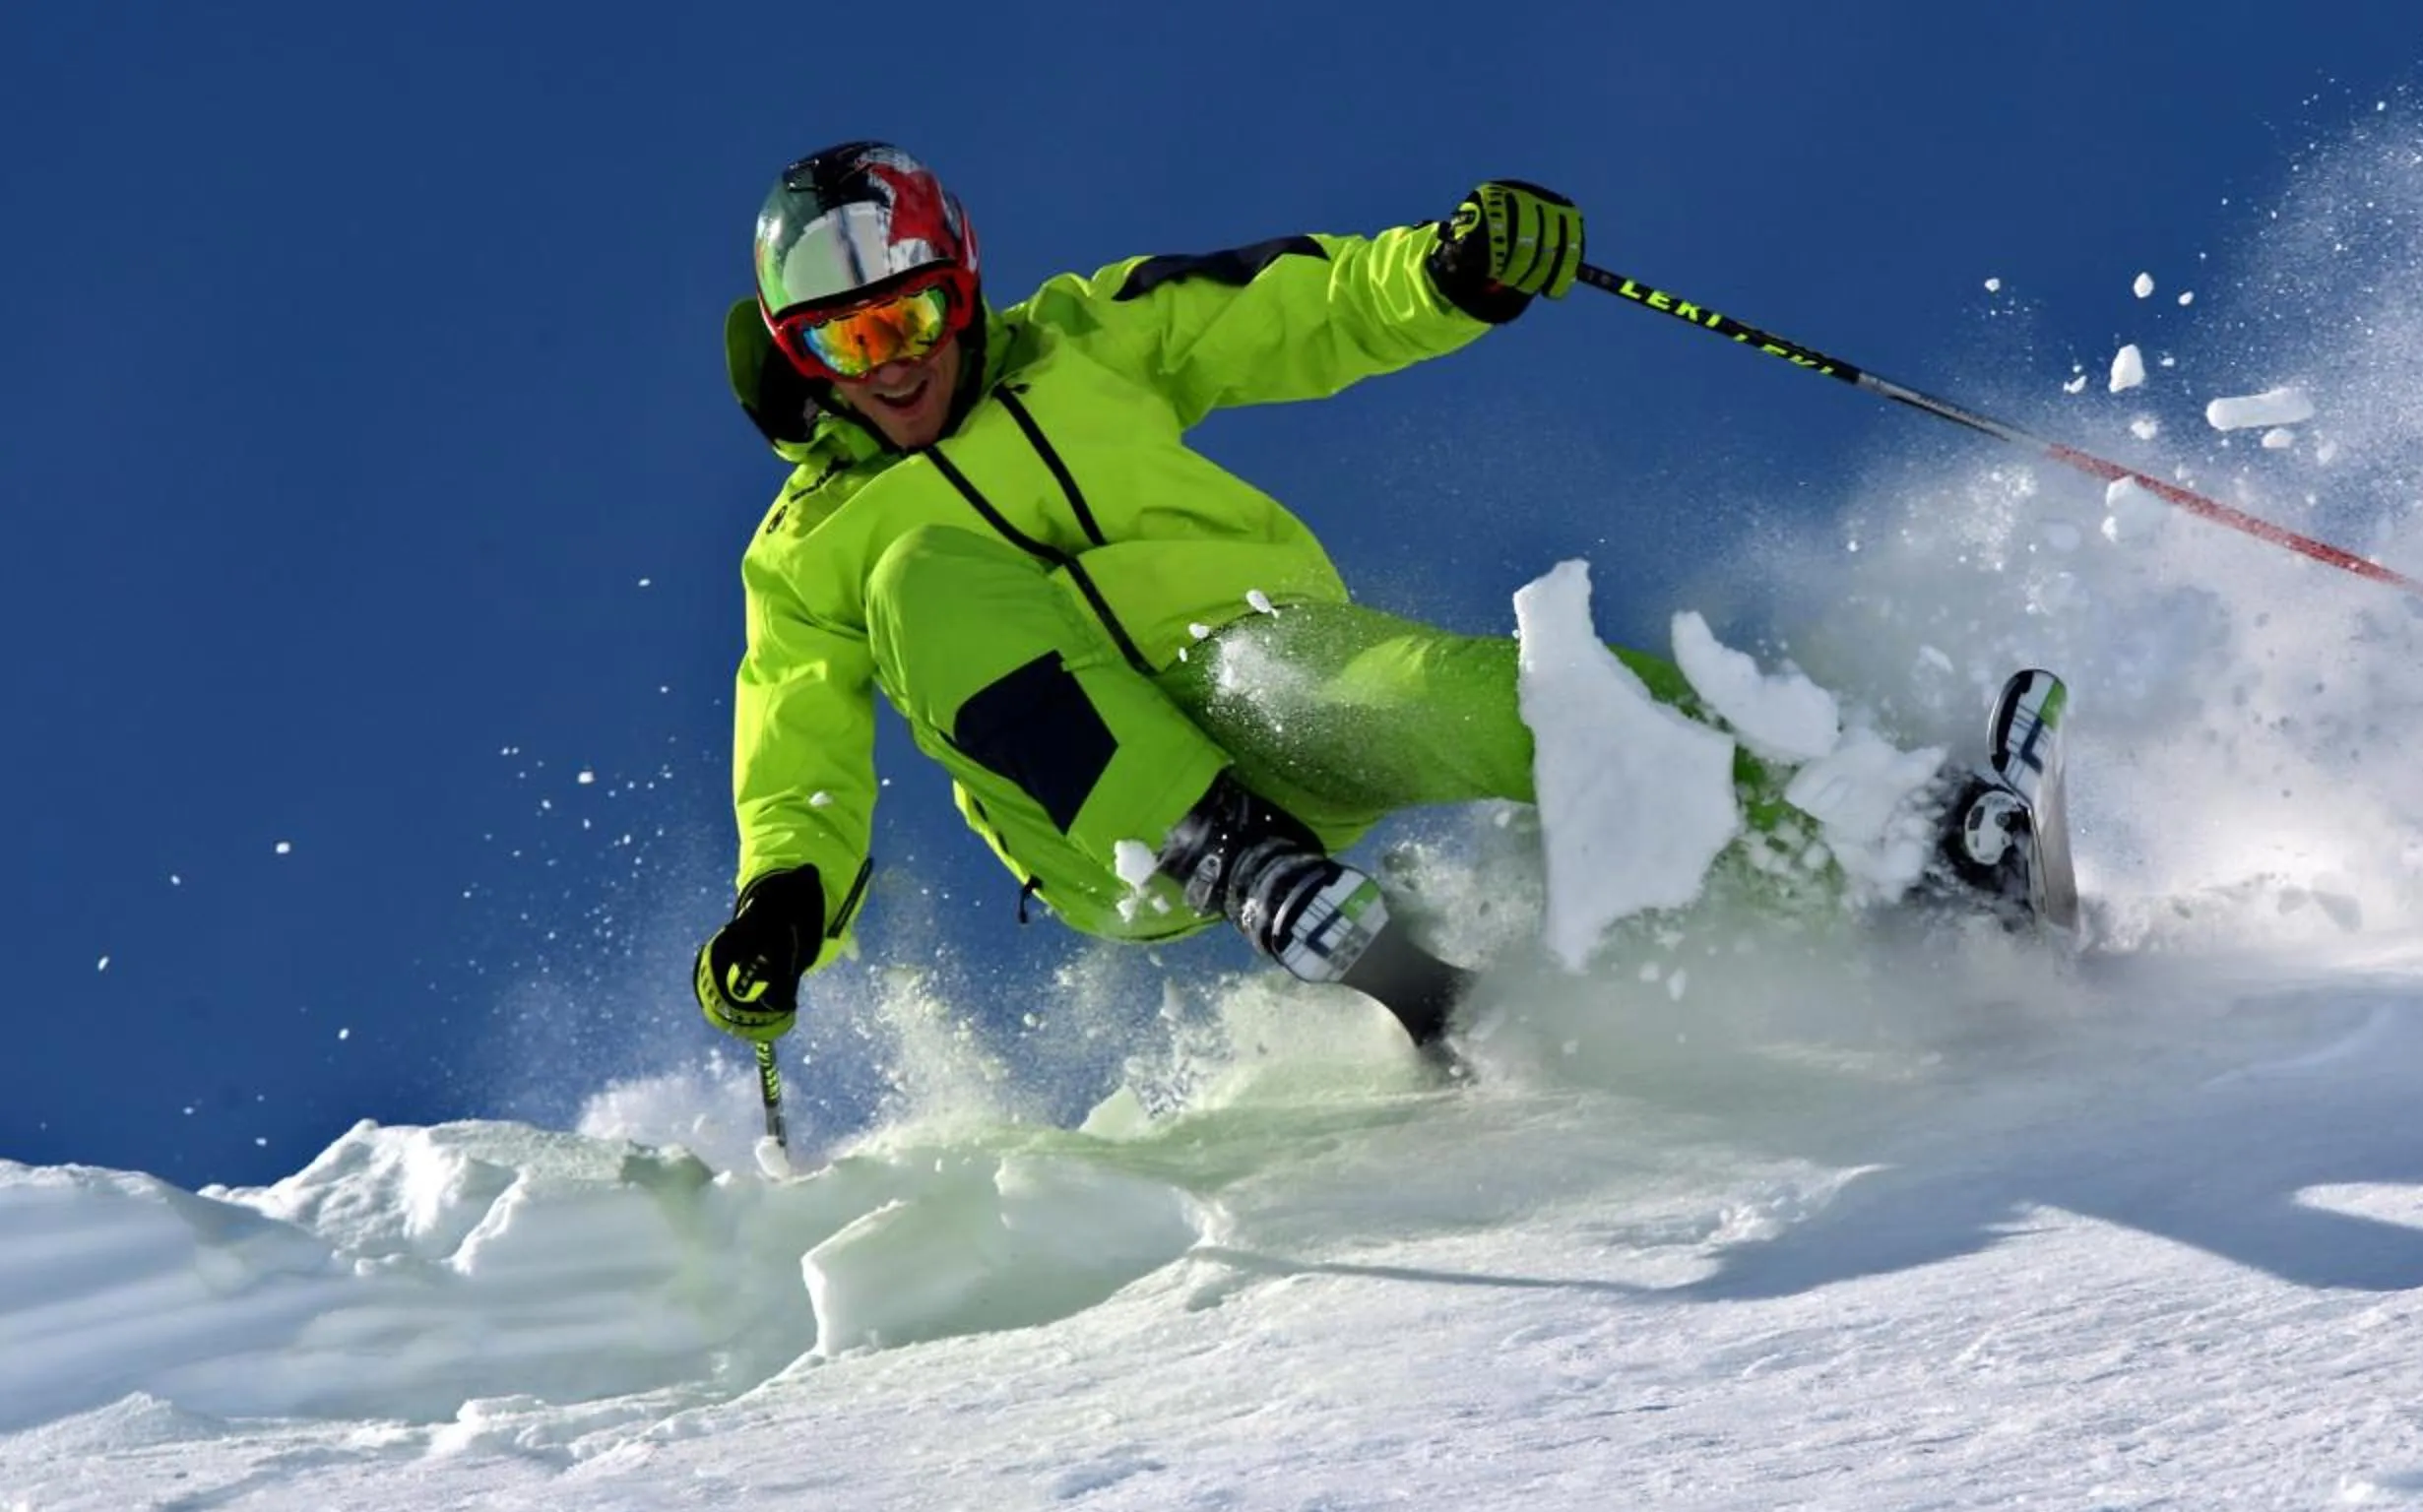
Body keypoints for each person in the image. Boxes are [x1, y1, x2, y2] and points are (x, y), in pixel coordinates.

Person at [693, 142, 2025, 1056]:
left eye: (910, 319)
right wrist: (783, 906)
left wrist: (1454, 273)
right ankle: (1246, 864)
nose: (888, 369)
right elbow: (795, 749)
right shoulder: (812, 546)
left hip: (1266, 676)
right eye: (844, 344)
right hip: (1109, 825)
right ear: (802, 357)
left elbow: (1297, 306)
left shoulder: (1092, 341)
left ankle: (1901, 842)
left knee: (1511, 700)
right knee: (922, 580)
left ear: (963, 289)